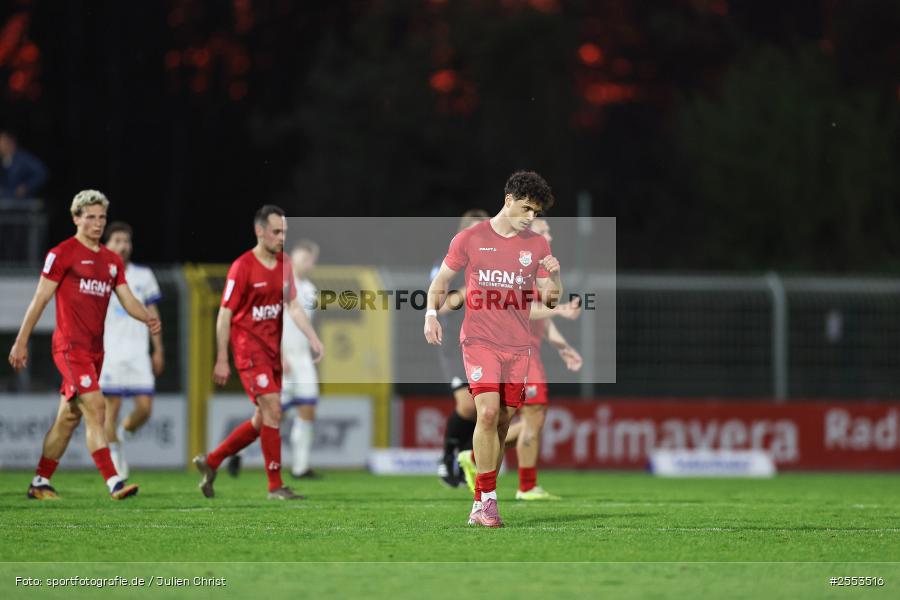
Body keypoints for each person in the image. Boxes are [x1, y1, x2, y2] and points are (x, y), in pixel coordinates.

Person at [425, 171, 562, 528]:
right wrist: (430, 315)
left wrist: (555, 276)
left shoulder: (537, 245)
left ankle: (480, 500)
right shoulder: (470, 238)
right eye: (526, 208)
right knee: (485, 413)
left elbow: (550, 299)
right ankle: (488, 502)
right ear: (508, 200)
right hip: (479, 340)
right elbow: (441, 281)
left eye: (536, 212)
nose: (531, 217)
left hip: (517, 346)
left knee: (502, 423)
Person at [8, 190, 160, 500]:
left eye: (102, 217)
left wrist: (147, 317)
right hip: (69, 348)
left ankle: (40, 482)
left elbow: (128, 298)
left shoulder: (111, 261)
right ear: (76, 218)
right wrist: (21, 341)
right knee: (96, 406)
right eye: (90, 217)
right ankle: (114, 481)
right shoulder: (62, 253)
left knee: (68, 418)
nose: (97, 223)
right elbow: (40, 299)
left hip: (94, 352)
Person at [193, 205, 324, 500]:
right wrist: (222, 358)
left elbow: (292, 305)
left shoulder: (284, 264)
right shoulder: (242, 267)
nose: (282, 237)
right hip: (248, 351)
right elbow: (225, 314)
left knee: (261, 419)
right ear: (259, 231)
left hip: (271, 352)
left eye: (284, 232)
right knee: (274, 409)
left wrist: (313, 337)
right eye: (276, 232)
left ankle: (212, 461)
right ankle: (275, 485)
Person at [459, 218, 583, 500]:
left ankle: (484, 465)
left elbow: (542, 319)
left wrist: (563, 346)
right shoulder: (518, 264)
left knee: (514, 419)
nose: (548, 235)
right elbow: (521, 308)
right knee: (526, 417)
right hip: (509, 350)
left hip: (526, 352)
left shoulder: (538, 267)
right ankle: (522, 485)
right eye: (543, 230)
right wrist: (559, 310)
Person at [100, 222, 165, 479]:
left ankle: (123, 435)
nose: (123, 246)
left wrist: (158, 348)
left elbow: (153, 312)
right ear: (107, 244)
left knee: (145, 409)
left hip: (138, 353)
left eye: (126, 241)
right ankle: (115, 457)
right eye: (117, 240)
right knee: (111, 409)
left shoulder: (143, 275)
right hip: (110, 353)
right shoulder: (98, 274)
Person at [433, 209, 489, 488]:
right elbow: (441, 307)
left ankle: (466, 457)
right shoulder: (449, 264)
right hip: (455, 344)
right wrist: (470, 290)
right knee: (467, 406)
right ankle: (447, 458)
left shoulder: (494, 263)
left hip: (486, 342)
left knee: (485, 408)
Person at [0, 130, 48, 201]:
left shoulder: (23, 159)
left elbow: (41, 173)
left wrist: (26, 187)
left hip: (22, 202)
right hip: (6, 200)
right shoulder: (3, 159)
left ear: (9, 142)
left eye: (2, 143)